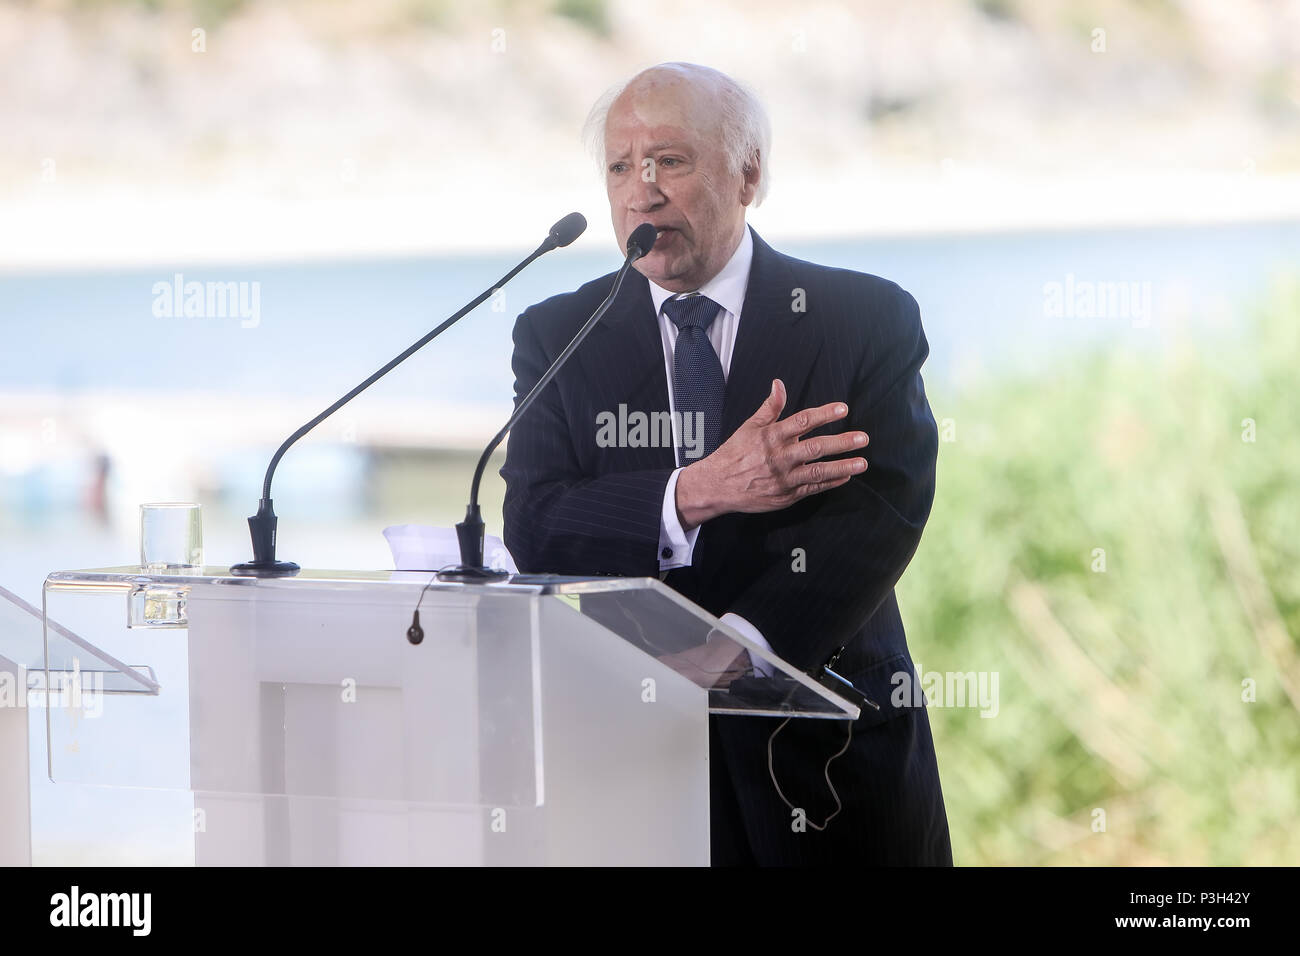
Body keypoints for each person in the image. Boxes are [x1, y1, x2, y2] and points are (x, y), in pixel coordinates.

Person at [501, 62, 951, 865]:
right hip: (637, 753)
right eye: (618, 167)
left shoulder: (863, 317)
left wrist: (742, 645)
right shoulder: (557, 334)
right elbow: (538, 526)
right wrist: (696, 492)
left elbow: (882, 513)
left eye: (670, 161)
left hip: (832, 753)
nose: (641, 192)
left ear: (748, 175)